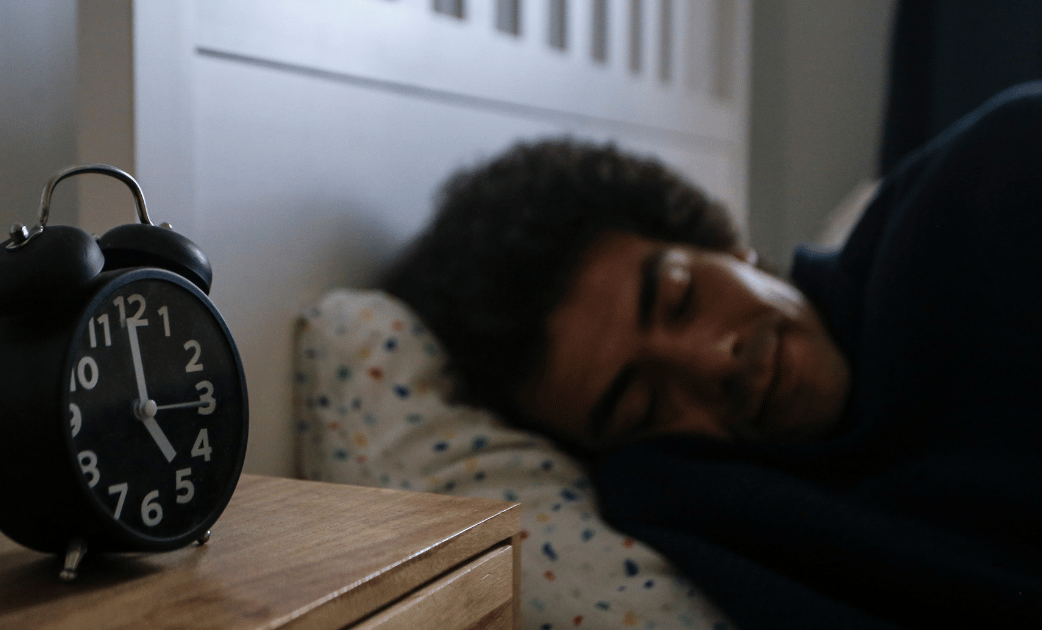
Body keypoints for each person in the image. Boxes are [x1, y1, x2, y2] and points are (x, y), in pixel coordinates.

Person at [382, 82, 1042, 628]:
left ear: (723, 243)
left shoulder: (993, 181)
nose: (714, 362)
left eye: (680, 296)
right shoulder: (716, 510)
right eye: (644, 403)